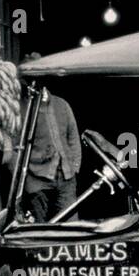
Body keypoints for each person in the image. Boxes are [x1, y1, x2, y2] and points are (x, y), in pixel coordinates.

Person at [20, 54, 82, 223]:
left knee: (72, 227)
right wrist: (25, 180)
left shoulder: (62, 104)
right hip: (37, 180)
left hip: (66, 177)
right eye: (30, 77)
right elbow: (15, 145)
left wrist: (75, 165)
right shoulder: (21, 109)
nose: (35, 81)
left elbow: (73, 137)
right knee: (40, 228)